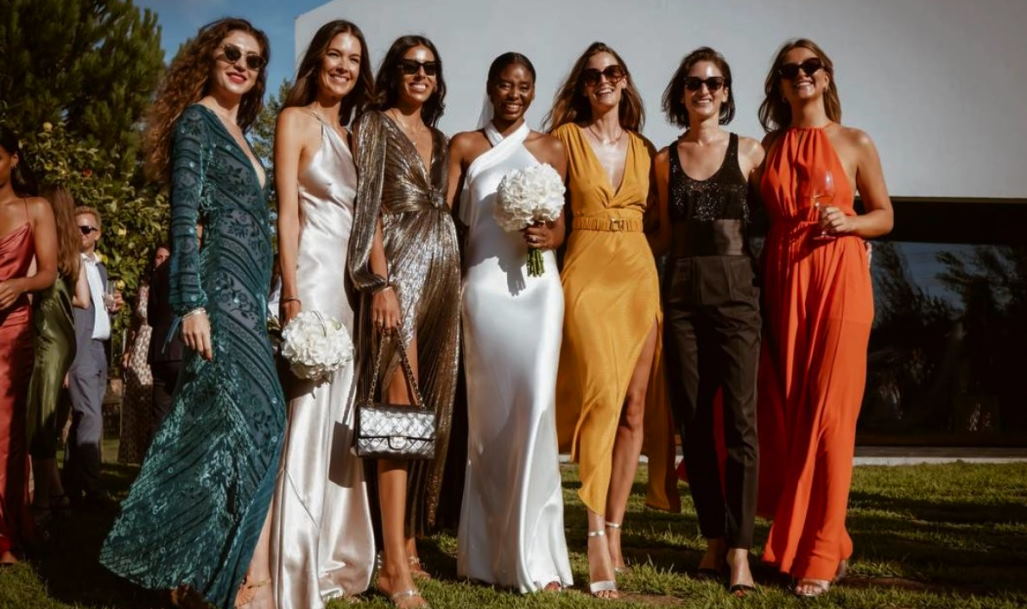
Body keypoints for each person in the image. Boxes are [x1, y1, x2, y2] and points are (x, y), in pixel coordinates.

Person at [99, 18, 286, 609]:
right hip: (217, 295)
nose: (241, 65)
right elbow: (183, 222)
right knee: (265, 420)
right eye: (231, 54)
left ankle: (202, 578)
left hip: (249, 299)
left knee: (213, 433)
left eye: (253, 61)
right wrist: (191, 304)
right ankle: (210, 573)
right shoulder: (196, 123)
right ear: (208, 57)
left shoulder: (241, 128)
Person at [755, 38, 893, 598]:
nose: (801, 75)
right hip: (785, 281)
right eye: (790, 70)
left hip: (839, 281)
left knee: (832, 416)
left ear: (827, 77)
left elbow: (885, 215)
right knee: (792, 411)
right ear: (781, 85)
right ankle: (820, 537)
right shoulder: (769, 145)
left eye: (811, 66)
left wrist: (851, 225)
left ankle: (817, 552)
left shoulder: (855, 141)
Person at [447, 52, 573, 593]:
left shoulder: (552, 147)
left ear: (533, 90)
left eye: (523, 85)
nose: (514, 94)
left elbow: (563, 223)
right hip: (484, 293)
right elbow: (448, 221)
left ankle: (536, 555)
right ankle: (483, 554)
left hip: (539, 293)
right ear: (491, 87)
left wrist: (552, 237)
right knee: (488, 422)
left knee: (537, 409)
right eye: (504, 84)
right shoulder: (465, 146)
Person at [543, 41, 664, 599]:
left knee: (634, 411)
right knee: (599, 400)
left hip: (639, 276)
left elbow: (666, 223)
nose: (603, 81)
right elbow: (541, 204)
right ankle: (591, 534)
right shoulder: (564, 141)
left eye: (612, 71)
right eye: (592, 75)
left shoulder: (646, 150)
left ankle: (617, 530)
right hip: (588, 272)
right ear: (581, 85)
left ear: (625, 79)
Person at [266, 19, 376, 608]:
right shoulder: (294, 120)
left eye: (354, 59)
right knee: (304, 416)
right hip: (309, 279)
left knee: (339, 421)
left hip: (349, 290)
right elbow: (287, 212)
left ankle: (333, 552)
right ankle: (293, 557)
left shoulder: (358, 134)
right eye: (335, 54)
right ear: (317, 59)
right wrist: (290, 293)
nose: (343, 65)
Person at [348, 34, 460, 609]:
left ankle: (408, 542)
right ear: (393, 73)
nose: (421, 74)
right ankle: (392, 566)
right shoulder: (373, 124)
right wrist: (381, 281)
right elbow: (366, 206)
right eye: (411, 66)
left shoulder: (440, 139)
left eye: (430, 68)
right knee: (399, 409)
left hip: (443, 274)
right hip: (398, 272)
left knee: (426, 412)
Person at [650, 47, 763, 596]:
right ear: (681, 92)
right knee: (692, 422)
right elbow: (663, 240)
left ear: (726, 91)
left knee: (741, 425)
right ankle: (713, 537)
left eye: (714, 83)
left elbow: (779, 222)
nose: (704, 91)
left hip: (739, 293)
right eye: (694, 83)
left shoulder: (752, 152)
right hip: (681, 293)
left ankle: (740, 550)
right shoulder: (664, 160)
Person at [0, 126, 57, 565]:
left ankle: (8, 533)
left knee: (7, 435)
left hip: (12, 332)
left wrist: (19, 284)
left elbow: (49, 274)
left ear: (13, 158)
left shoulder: (35, 207)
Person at [26, 185, 90, 536]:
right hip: (64, 336)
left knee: (40, 416)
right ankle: (59, 497)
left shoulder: (42, 246)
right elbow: (83, 299)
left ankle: (43, 504)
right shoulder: (74, 253)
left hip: (45, 335)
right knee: (44, 413)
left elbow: (34, 280)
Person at [65, 203, 122, 508]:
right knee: (91, 416)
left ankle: (71, 486)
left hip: (101, 347)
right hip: (80, 347)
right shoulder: (67, 263)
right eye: (76, 227)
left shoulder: (100, 268)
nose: (80, 233)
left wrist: (112, 307)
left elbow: (99, 308)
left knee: (83, 418)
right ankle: (94, 487)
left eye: (86, 228)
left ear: (97, 233)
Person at [117, 245, 168, 464]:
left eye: (167, 257)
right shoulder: (144, 288)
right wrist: (128, 351)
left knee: (153, 402)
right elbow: (134, 323)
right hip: (141, 346)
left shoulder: (172, 285)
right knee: (137, 400)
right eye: (158, 256)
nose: (162, 260)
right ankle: (136, 456)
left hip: (161, 341)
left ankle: (153, 458)